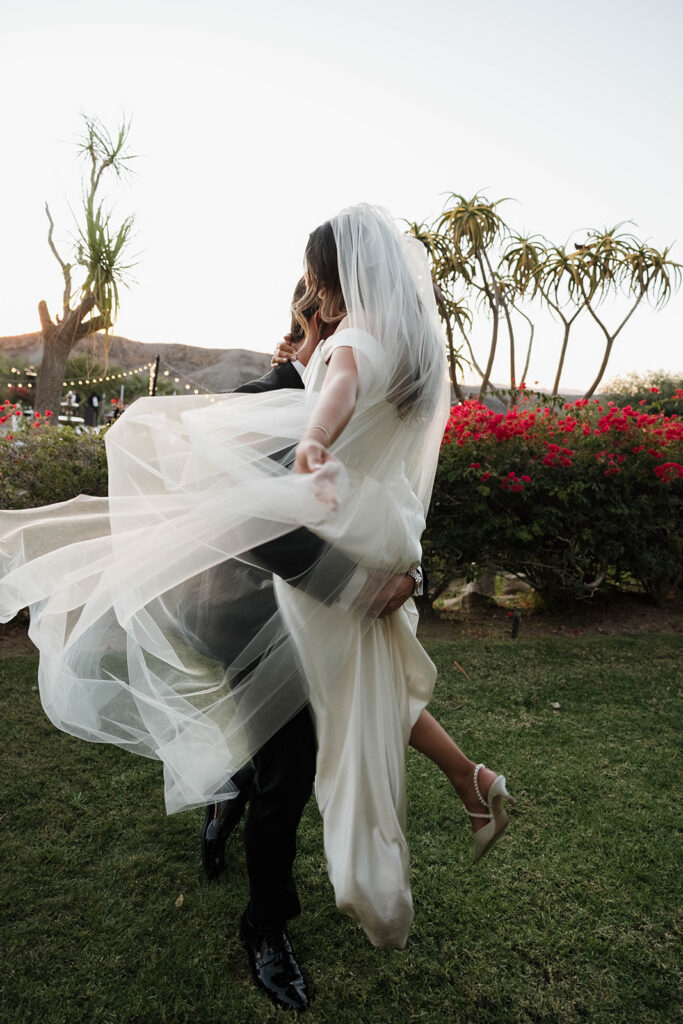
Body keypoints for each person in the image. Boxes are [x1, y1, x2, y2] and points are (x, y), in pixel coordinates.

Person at [0, 205, 513, 1014]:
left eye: (325, 308)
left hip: (309, 616)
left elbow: (383, 489)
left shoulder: (365, 385)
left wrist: (401, 573)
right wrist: (352, 582)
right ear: (301, 329)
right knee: (289, 770)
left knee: (313, 740)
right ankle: (265, 927)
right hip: (236, 613)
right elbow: (246, 515)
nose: (322, 327)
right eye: (312, 316)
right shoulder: (275, 395)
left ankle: (243, 792)